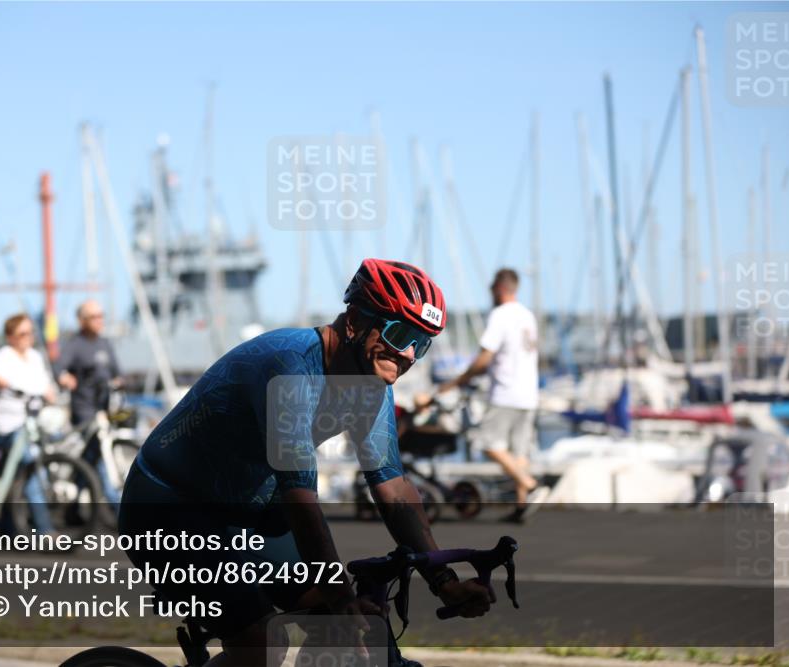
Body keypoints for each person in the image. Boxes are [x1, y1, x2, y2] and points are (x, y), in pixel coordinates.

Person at [120, 259, 494, 667]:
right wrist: (341, 597)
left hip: (249, 514)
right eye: (399, 332)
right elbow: (300, 500)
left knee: (348, 626)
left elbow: (393, 490)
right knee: (263, 644)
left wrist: (444, 581)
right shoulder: (290, 368)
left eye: (421, 343)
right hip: (169, 510)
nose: (407, 354)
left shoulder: (371, 385)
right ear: (354, 321)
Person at [424, 268, 547, 523]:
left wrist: (458, 381)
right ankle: (522, 505)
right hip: (529, 395)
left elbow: (484, 358)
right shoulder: (527, 316)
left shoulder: (500, 316)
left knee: (487, 444)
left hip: (506, 393)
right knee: (518, 453)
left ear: (499, 288)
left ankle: (530, 485)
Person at [0, 314, 56, 534]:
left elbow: (46, 385)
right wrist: (18, 387)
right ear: (10, 337)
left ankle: (6, 529)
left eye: (30, 332)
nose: (28, 337)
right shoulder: (4, 356)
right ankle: (46, 531)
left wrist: (50, 393)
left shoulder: (35, 357)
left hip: (29, 423)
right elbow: (0, 378)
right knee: (31, 468)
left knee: (17, 474)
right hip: (5, 424)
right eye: (22, 333)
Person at [54, 300, 123, 504]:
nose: (99, 320)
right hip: (84, 409)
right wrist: (65, 378)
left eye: (101, 316)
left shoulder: (104, 343)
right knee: (99, 454)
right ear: (82, 320)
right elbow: (58, 368)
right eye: (94, 317)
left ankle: (74, 507)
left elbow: (117, 372)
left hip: (104, 408)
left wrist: (118, 382)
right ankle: (116, 505)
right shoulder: (75, 345)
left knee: (90, 458)